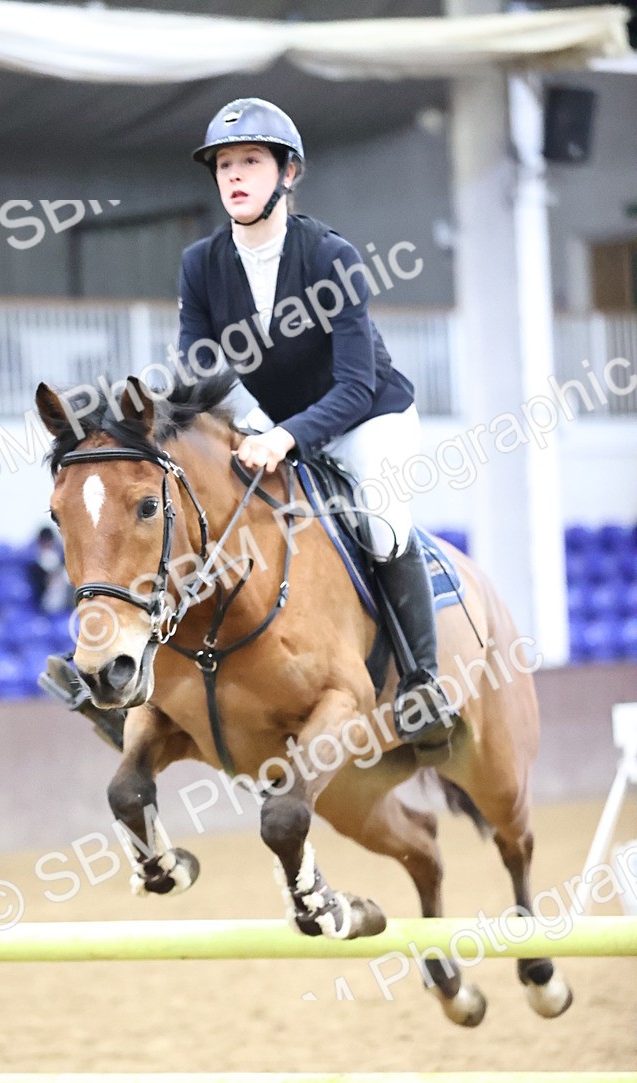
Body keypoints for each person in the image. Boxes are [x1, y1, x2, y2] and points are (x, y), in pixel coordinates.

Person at [177, 97, 458, 746]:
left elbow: (356, 385)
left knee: (380, 525)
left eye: (251, 161)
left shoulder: (332, 256)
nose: (234, 175)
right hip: (271, 423)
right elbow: (197, 371)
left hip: (367, 417)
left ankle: (422, 682)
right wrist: (236, 424)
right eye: (224, 164)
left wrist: (284, 435)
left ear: (288, 173)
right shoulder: (200, 263)